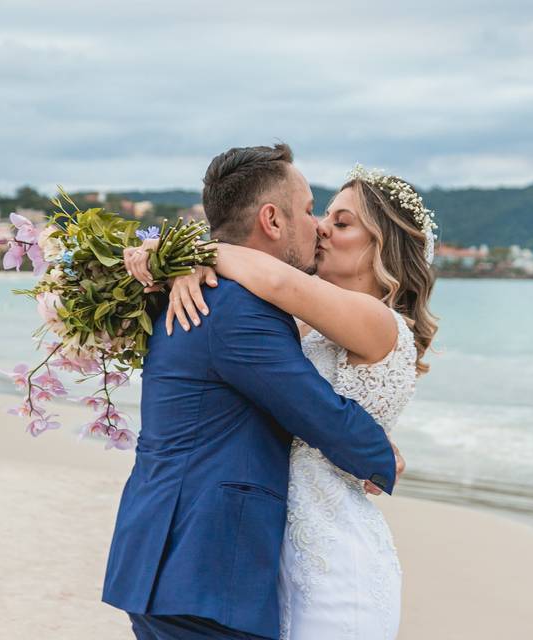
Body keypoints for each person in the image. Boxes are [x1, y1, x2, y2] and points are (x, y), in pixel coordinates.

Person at [104, 143, 405, 640]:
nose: (318, 227)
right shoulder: (237, 308)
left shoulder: (200, 288)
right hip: (201, 567)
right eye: (309, 211)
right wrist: (380, 454)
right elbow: (312, 408)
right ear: (272, 219)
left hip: (170, 560)